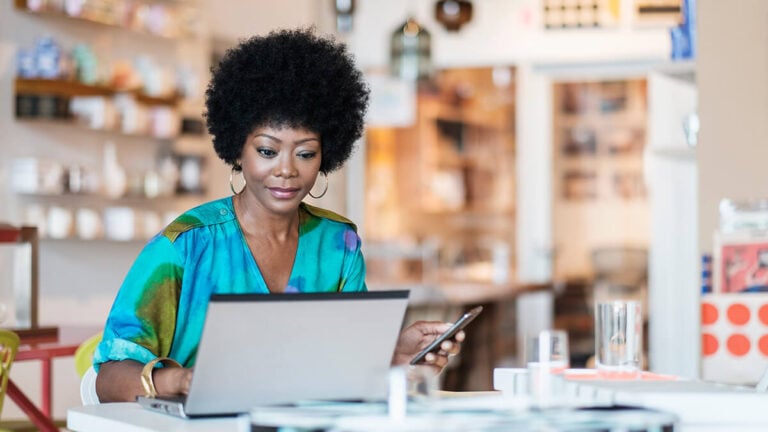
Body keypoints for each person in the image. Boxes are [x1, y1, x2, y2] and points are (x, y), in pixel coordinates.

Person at [94, 28, 464, 403]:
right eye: (268, 151)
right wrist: (180, 380)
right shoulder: (186, 245)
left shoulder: (339, 245)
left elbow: (339, 368)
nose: (286, 170)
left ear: (326, 156)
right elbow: (108, 380)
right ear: (238, 150)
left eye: (305, 154)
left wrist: (393, 355)